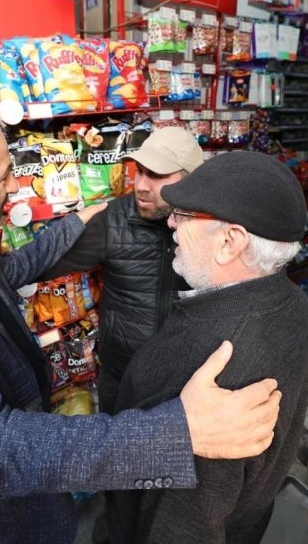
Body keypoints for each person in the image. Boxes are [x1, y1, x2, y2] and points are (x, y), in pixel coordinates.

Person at [0, 105, 283, 543]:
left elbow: (8, 275)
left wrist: (72, 224)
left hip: (31, 500)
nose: (14, 187)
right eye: (4, 177)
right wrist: (181, 433)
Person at [108, 151, 308, 544]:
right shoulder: (293, 302)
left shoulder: (212, 376)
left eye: (184, 215)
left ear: (229, 242)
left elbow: (181, 528)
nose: (171, 222)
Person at [42, 126, 203, 413]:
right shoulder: (113, 220)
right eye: (140, 171)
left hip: (187, 384)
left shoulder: (213, 226)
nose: (141, 185)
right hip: (122, 380)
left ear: (190, 179)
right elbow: (38, 265)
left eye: (156, 175)